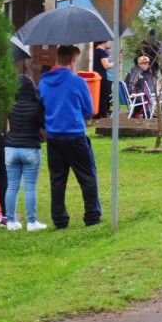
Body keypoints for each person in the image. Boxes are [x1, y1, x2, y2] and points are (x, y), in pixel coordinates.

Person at [39, 45, 101, 228]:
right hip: (74, 135)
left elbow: (41, 105)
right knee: (87, 176)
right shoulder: (77, 82)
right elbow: (90, 110)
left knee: (57, 179)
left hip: (54, 137)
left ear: (57, 59)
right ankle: (92, 215)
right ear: (73, 61)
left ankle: (59, 219)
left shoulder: (43, 82)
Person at [3, 73, 46, 231]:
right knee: (30, 187)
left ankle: (11, 221)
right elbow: (42, 124)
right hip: (30, 148)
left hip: (11, 148)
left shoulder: (10, 104)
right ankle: (32, 222)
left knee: (12, 186)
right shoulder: (36, 105)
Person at [92, 40, 114, 118]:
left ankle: (97, 113)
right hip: (102, 77)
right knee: (104, 96)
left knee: (99, 95)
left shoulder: (95, 51)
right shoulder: (102, 52)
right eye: (107, 41)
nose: (108, 43)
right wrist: (115, 62)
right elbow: (106, 65)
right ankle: (103, 114)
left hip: (96, 76)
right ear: (103, 42)